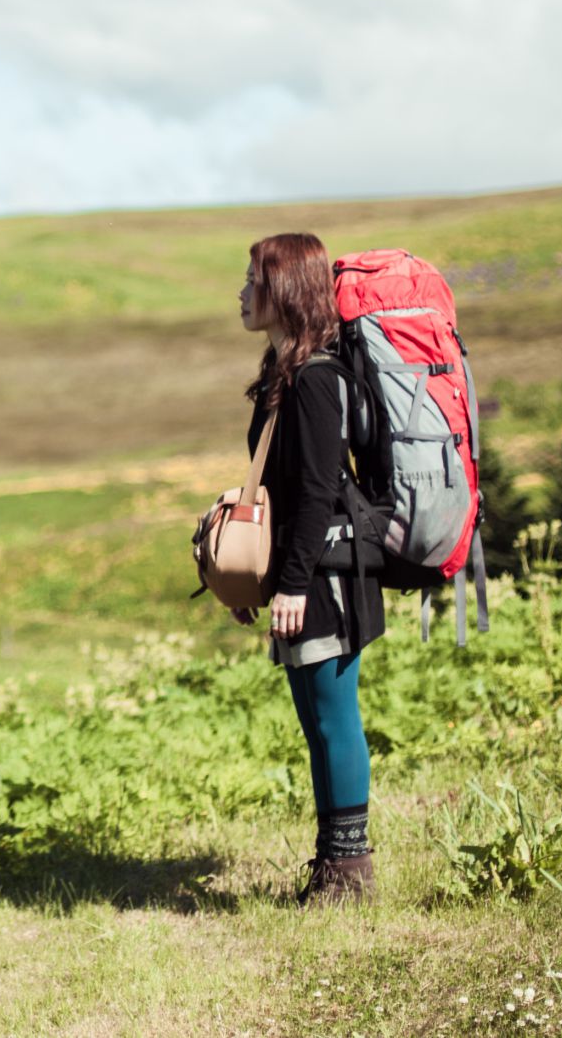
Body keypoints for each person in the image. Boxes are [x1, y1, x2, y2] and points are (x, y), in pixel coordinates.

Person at [233, 232, 386, 904]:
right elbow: (284, 489)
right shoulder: (283, 375)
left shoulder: (318, 378)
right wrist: (256, 574)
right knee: (314, 719)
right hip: (305, 569)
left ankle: (351, 874)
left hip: (327, 574)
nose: (241, 293)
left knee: (332, 716)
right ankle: (331, 868)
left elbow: (321, 488)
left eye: (252, 281)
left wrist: (291, 582)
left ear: (285, 291)